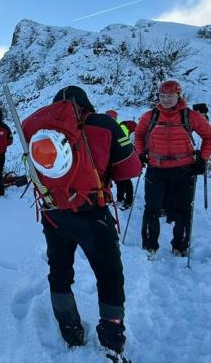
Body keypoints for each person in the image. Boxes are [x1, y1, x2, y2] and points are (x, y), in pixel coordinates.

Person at [22, 86, 141, 355]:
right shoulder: (104, 124)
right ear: (87, 103)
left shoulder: (34, 128)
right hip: (92, 211)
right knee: (108, 273)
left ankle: (70, 329)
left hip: (53, 212)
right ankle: (112, 335)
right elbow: (130, 169)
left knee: (60, 271)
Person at [134, 80, 211, 258]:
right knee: (152, 208)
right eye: (162, 96)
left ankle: (180, 245)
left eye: (170, 96)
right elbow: (139, 135)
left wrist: (203, 158)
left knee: (183, 209)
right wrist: (140, 153)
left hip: (184, 169)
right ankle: (149, 245)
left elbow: (209, 136)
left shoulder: (191, 116)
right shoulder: (150, 116)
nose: (165, 99)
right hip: (156, 168)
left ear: (179, 96)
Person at [106, 110, 134, 210]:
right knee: (118, 180)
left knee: (126, 180)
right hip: (114, 157)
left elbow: (123, 142)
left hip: (123, 157)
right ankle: (120, 199)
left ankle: (129, 201)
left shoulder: (121, 127)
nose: (109, 119)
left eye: (110, 117)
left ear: (115, 118)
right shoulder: (109, 127)